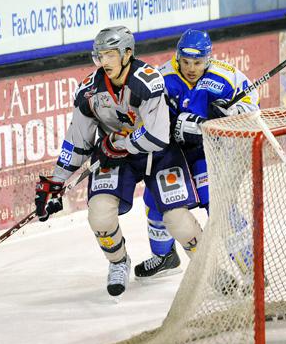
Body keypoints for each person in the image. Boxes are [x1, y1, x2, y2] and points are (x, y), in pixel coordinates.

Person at [34, 26, 203, 298]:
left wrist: (118, 143)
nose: (104, 62)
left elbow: (157, 136)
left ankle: (211, 269)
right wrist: (55, 181)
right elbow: (78, 141)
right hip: (118, 157)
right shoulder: (89, 92)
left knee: (179, 222)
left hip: (158, 155)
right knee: (99, 213)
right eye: (100, 55)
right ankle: (118, 262)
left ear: (127, 53)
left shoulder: (147, 81)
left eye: (110, 55)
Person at [133, 29, 260, 279]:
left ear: (208, 59)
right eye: (186, 62)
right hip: (171, 153)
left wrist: (230, 115)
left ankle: (251, 266)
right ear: (177, 57)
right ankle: (164, 256)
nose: (191, 68)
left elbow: (251, 107)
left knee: (221, 207)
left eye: (198, 62)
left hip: (209, 153)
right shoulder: (161, 78)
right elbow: (146, 120)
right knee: (156, 203)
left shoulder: (227, 76)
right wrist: (179, 123)